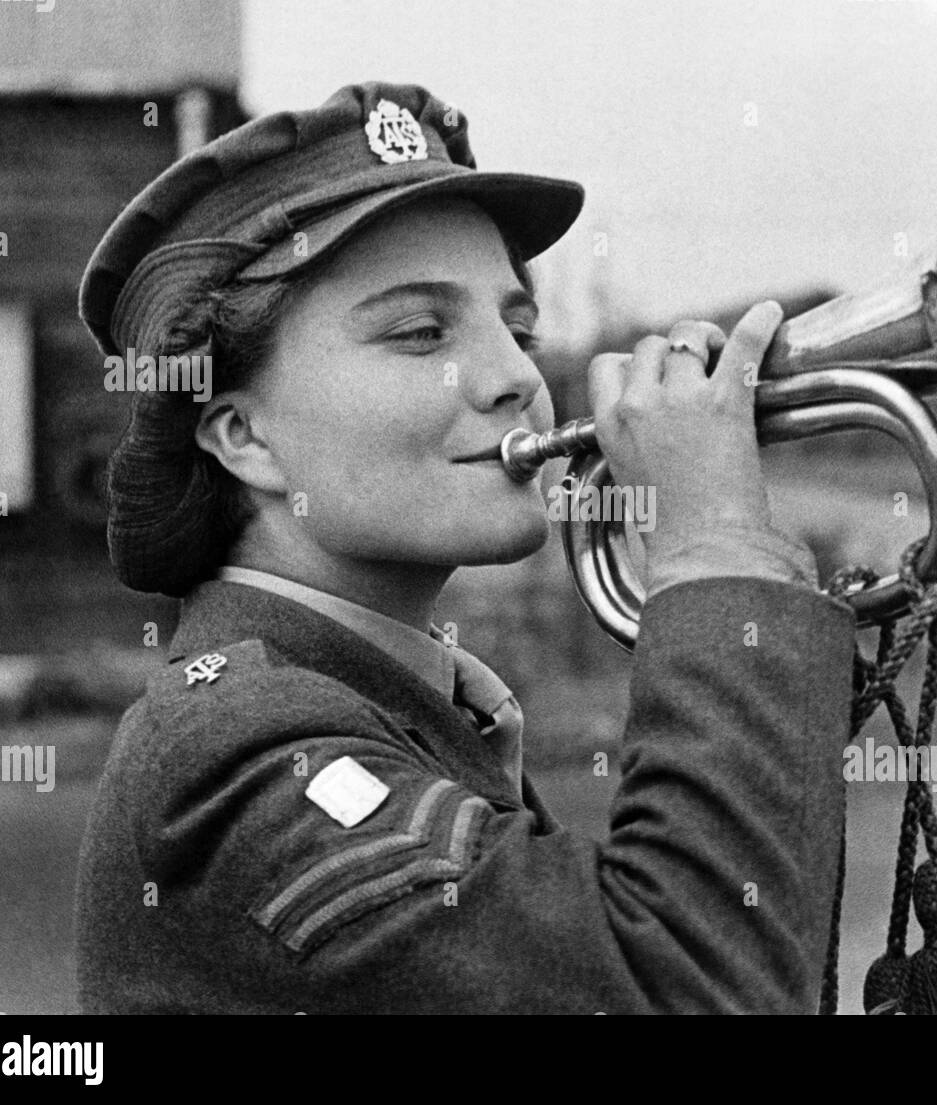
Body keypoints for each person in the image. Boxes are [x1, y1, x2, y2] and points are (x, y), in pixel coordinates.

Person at [73, 82, 855, 1013]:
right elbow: (693, 984)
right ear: (244, 436)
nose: (517, 377)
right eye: (419, 333)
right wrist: (719, 550)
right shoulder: (232, 755)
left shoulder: (391, 699)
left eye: (518, 328)